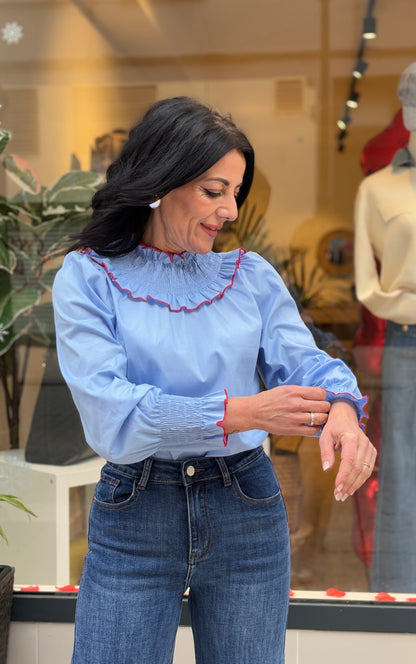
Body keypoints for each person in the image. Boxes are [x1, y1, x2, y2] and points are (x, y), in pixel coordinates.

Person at [52, 96, 375, 664]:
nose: (229, 209)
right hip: (136, 509)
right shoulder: (88, 277)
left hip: (245, 505)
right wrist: (246, 413)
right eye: (213, 190)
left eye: (234, 192)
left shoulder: (248, 277)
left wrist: (343, 409)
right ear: (162, 180)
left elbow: (307, 363)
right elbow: (111, 412)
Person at [354, 63, 416, 593]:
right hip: (409, 342)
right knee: (403, 470)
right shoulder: (377, 190)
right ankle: (400, 594)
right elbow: (366, 283)